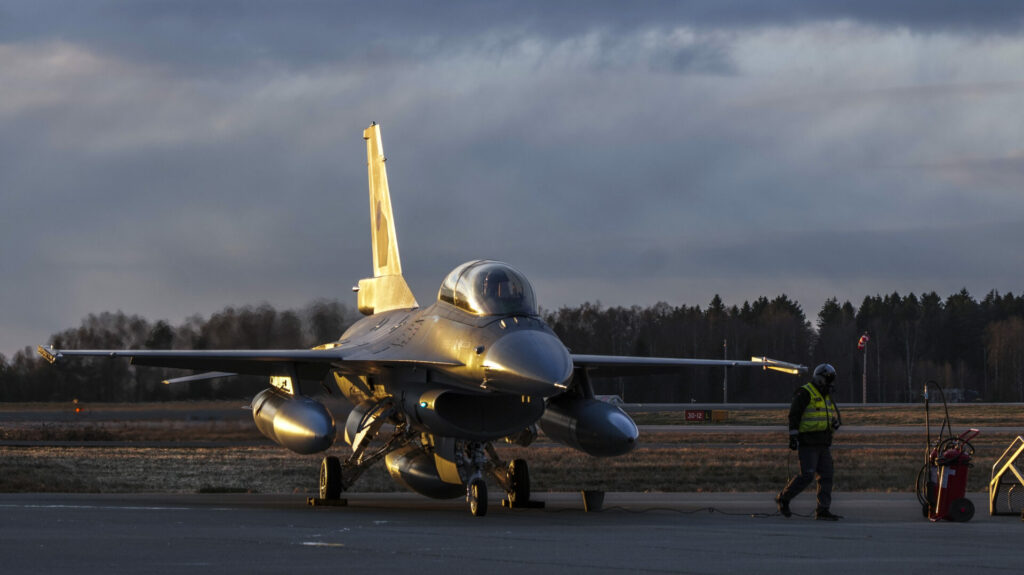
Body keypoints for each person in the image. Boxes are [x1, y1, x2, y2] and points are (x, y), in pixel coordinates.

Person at [776, 363, 843, 520]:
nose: (831, 384)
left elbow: (824, 417)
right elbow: (794, 415)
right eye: (829, 380)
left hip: (823, 443)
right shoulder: (805, 393)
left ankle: (823, 510)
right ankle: (784, 498)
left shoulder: (825, 396)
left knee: (827, 475)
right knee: (807, 475)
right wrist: (793, 437)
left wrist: (833, 424)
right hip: (808, 442)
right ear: (821, 379)